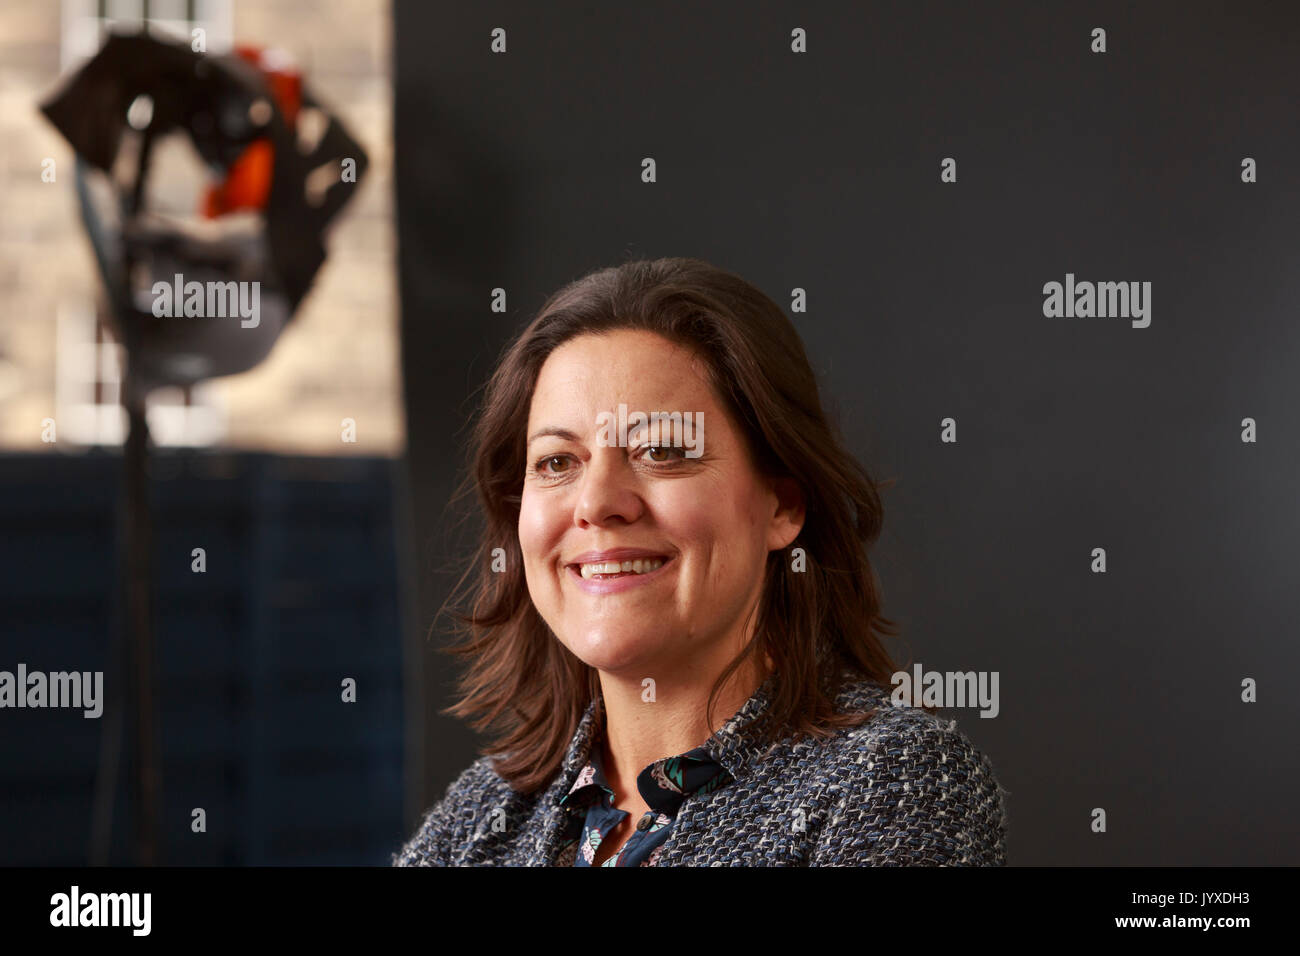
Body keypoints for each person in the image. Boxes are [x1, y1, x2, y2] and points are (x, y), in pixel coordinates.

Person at [394, 256, 1008, 866]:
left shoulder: (892, 786)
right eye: (558, 462)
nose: (598, 504)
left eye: (661, 450)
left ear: (782, 506)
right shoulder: (482, 815)